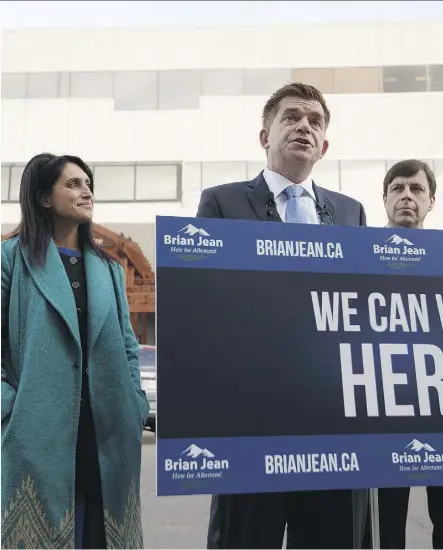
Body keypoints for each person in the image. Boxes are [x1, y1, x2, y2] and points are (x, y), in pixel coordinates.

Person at [197, 82, 368, 549]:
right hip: (251, 423)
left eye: (314, 121)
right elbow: (204, 305)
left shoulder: (352, 213)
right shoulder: (221, 203)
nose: (303, 127)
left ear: (325, 145)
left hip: (333, 427)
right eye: (291, 117)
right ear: (265, 136)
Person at [1, 153, 149, 549]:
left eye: (88, 185)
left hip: (108, 430)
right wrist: (10, 409)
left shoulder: (110, 269)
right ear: (44, 198)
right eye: (73, 184)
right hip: (37, 432)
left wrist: (135, 402)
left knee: (104, 535)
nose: (86, 192)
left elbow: (128, 346)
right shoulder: (10, 260)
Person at [363, 158, 442, 550]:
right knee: (383, 528)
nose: (407, 196)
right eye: (398, 189)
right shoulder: (356, 258)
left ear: (431, 201)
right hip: (383, 411)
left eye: (416, 189)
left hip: (439, 409)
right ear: (385, 199)